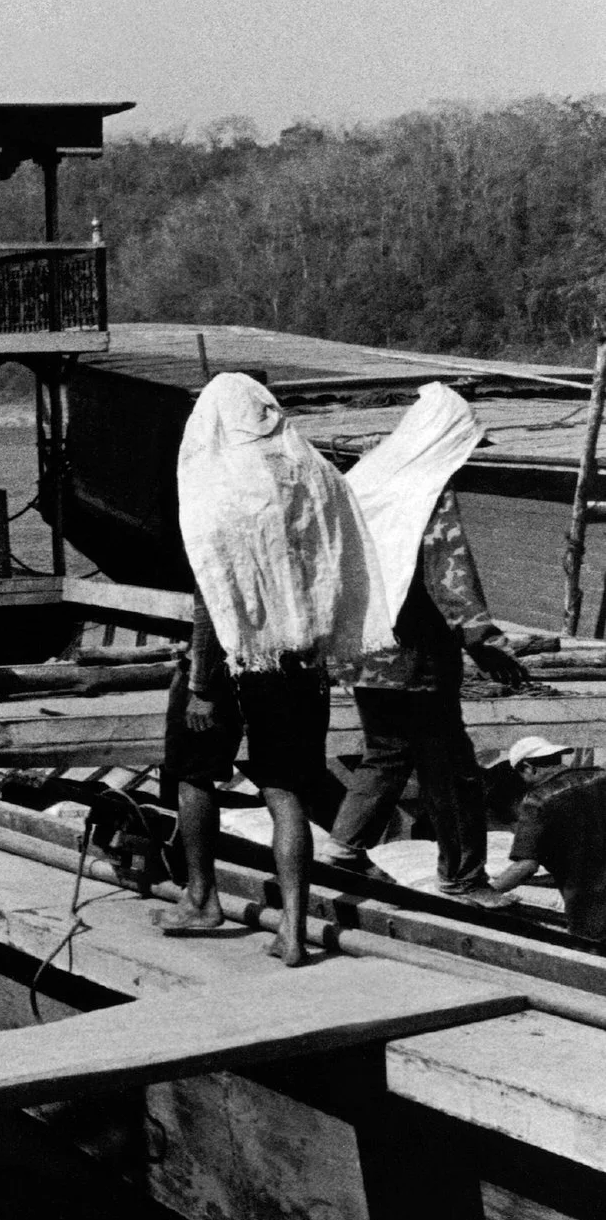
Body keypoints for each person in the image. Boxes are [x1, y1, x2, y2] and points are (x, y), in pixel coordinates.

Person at [162, 373, 361, 967]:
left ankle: (202, 898)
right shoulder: (315, 475)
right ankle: (293, 931)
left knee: (195, 773)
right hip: (299, 659)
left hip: (233, 656)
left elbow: (213, 598)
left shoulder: (221, 481)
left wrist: (201, 686)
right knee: (286, 789)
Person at [326, 384, 528, 901]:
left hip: (363, 646)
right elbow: (447, 570)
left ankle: (344, 848)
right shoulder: (428, 488)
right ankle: (464, 877)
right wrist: (482, 639)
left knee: (387, 753)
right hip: (416, 655)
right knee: (451, 769)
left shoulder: (365, 475)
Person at [488, 738, 606, 942]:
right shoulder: (601, 776)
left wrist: (488, 893)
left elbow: (526, 866)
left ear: (528, 767)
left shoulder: (537, 801)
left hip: (593, 910)